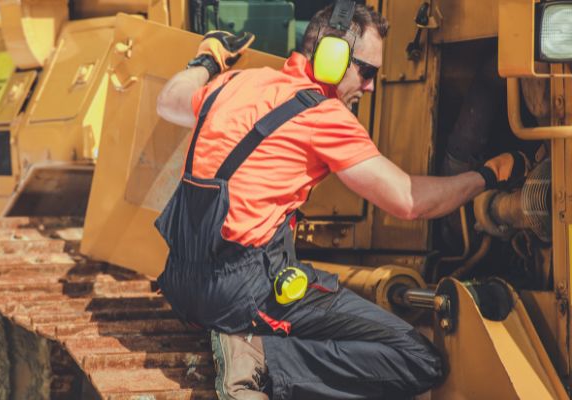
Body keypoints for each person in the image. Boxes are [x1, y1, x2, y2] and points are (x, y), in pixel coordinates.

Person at [154, 1, 528, 399]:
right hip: (239, 294)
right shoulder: (324, 116)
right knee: (417, 359)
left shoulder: (238, 83)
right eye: (366, 71)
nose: (369, 87)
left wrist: (208, 59)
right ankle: (258, 358)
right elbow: (410, 201)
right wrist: (488, 175)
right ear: (332, 57)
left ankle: (251, 346)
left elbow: (170, 99)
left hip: (182, 283)